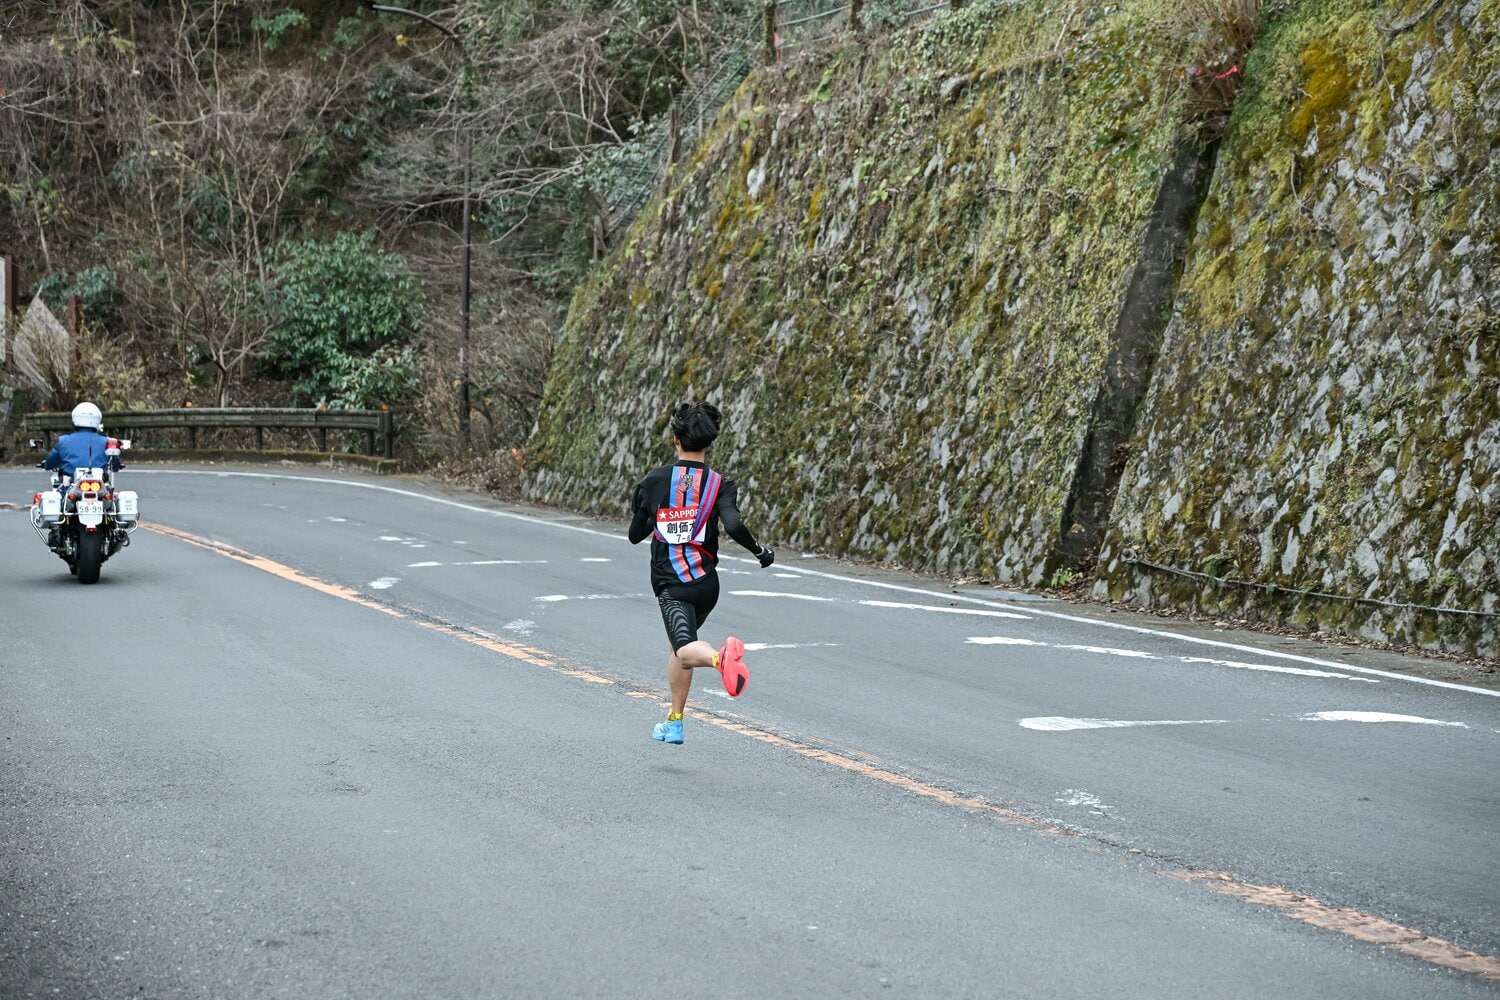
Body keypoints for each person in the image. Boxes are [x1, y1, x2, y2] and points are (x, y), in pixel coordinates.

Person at [628, 401, 774, 745]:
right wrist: (759, 551)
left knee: (684, 650)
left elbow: (635, 535)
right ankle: (674, 721)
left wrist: (656, 512)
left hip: (672, 585)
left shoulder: (655, 481)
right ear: (709, 443)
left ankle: (722, 659)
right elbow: (734, 524)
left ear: (676, 439)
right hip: (707, 585)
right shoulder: (720, 484)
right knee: (679, 645)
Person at [42, 402, 122, 480]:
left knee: (59, 491)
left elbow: (50, 463)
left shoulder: (64, 440)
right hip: (99, 486)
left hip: (72, 485)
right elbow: (115, 466)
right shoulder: (107, 441)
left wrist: (46, 465)